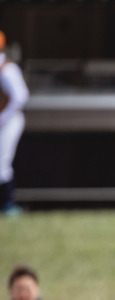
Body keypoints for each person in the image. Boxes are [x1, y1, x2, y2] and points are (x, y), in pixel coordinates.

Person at [0, 31, 28, 216]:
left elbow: (20, 97)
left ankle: (8, 204)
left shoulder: (7, 68)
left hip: (10, 121)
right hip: (5, 120)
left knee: (2, 163)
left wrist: (1, 118)